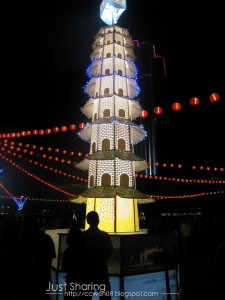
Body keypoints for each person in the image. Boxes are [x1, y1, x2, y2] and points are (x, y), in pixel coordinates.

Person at [83, 211, 114, 300]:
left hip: (86, 273)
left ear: (87, 221)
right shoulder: (104, 235)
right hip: (102, 272)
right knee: (105, 297)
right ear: (98, 220)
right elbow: (109, 253)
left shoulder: (83, 236)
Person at [62, 220, 88, 299]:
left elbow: (64, 268)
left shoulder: (68, 251)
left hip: (71, 280)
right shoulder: (85, 251)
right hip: (83, 281)